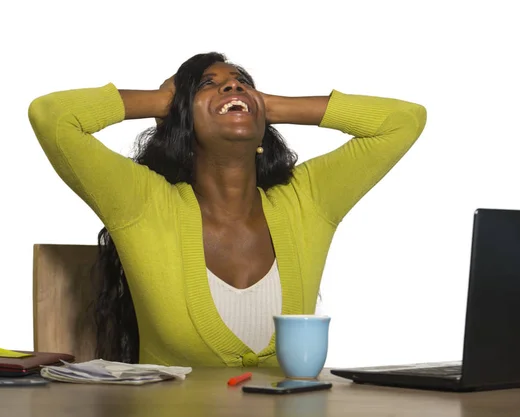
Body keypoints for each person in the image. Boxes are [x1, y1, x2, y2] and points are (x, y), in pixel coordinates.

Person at [28, 52, 427, 368]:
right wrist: (162, 100)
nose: (232, 85)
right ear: (181, 119)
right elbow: (53, 117)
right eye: (208, 84)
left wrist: (266, 105)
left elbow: (404, 121)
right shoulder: (143, 203)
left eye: (241, 83)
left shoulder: (308, 200)